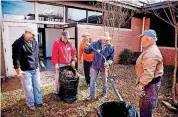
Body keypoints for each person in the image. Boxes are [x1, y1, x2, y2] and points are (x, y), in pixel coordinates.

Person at [12, 26, 46, 110]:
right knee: (28, 88)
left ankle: (39, 102)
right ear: (27, 33)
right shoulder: (18, 43)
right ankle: (30, 104)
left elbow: (37, 53)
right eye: (33, 35)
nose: (34, 37)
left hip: (35, 68)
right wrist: (18, 71)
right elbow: (15, 58)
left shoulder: (34, 41)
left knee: (37, 86)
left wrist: (41, 62)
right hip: (25, 70)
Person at [135, 29, 164, 117]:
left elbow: (148, 73)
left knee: (146, 109)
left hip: (150, 84)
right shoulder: (149, 49)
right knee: (144, 106)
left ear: (148, 39)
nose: (141, 40)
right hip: (149, 83)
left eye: (143, 38)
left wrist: (140, 85)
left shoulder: (151, 52)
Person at [84, 32, 114, 100]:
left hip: (104, 67)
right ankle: (92, 96)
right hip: (95, 65)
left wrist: (108, 63)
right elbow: (88, 51)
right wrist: (86, 47)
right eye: (103, 39)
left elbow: (111, 58)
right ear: (101, 38)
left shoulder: (110, 47)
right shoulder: (95, 43)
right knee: (92, 81)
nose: (104, 40)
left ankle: (104, 93)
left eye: (106, 39)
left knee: (104, 81)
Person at [51, 30, 77, 95]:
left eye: (67, 37)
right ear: (61, 36)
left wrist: (73, 61)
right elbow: (54, 55)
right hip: (60, 64)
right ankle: (57, 91)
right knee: (58, 78)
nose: (66, 39)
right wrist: (56, 64)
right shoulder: (57, 43)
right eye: (65, 37)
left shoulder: (70, 43)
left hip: (68, 64)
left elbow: (74, 53)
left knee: (68, 77)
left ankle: (66, 90)